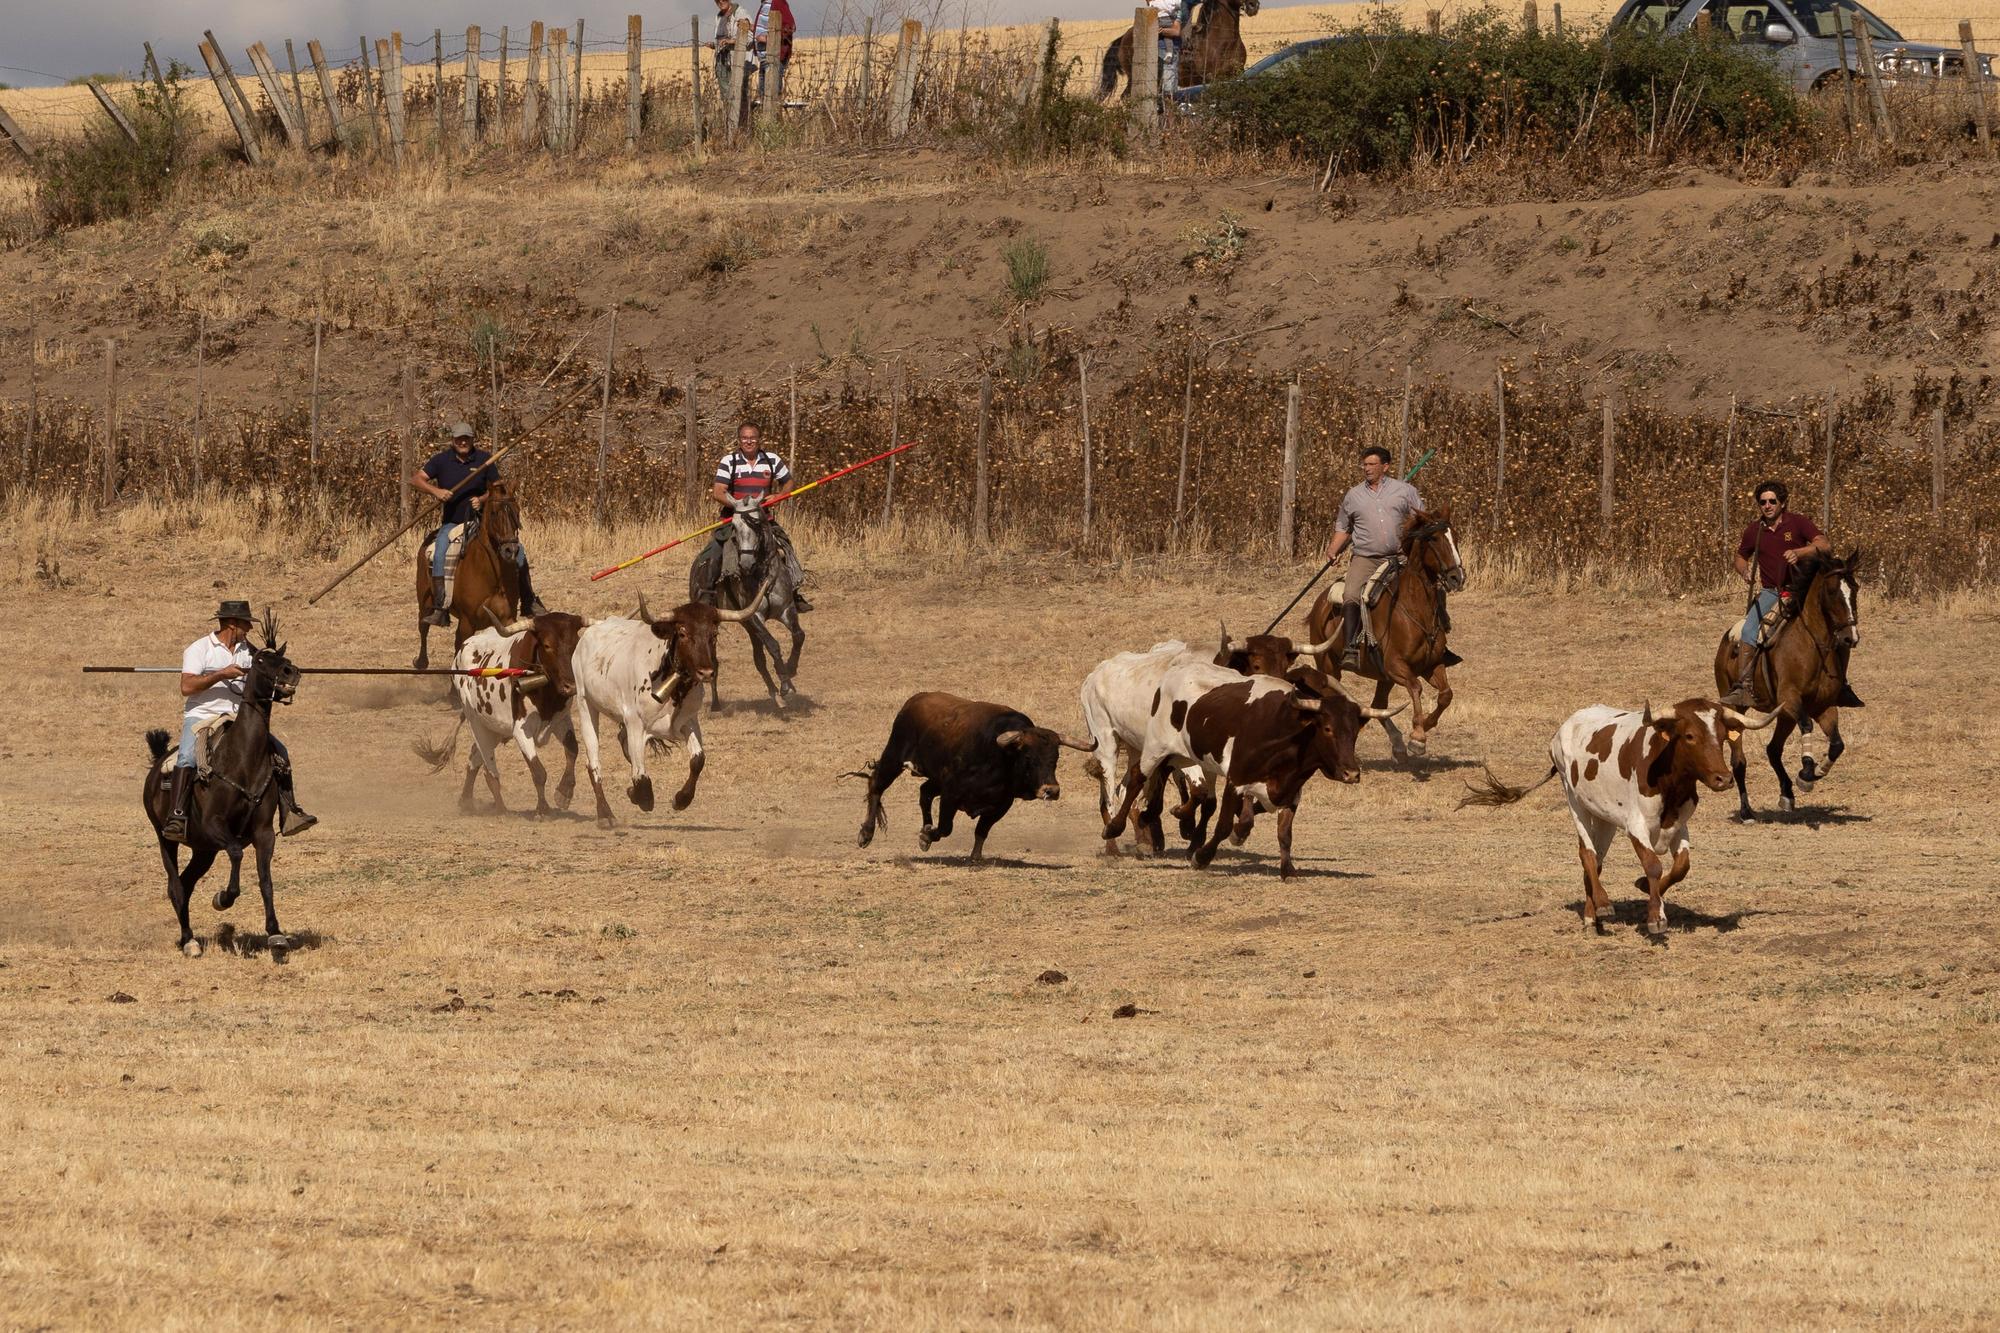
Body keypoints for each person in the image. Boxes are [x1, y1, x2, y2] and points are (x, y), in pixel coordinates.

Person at [163, 600, 316, 843]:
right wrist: (221, 674)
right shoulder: (199, 649)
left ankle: (290, 812)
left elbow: (261, 679)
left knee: (280, 752)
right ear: (232, 624)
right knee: (187, 757)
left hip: (238, 716)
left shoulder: (248, 651)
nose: (249, 629)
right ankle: (177, 815)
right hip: (203, 715)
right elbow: (187, 686)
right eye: (246, 624)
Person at [412, 421, 546, 628]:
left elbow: (499, 490)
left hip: (484, 521)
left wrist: (482, 499)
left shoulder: (484, 460)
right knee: (439, 552)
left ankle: (529, 601)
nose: (463, 442)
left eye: (467, 438)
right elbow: (417, 479)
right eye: (459, 438)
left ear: (472, 439)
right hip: (453, 522)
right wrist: (437, 492)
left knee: (519, 552)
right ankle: (441, 608)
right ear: (453, 440)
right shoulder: (440, 461)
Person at [1719, 478, 1831, 707]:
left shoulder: (1798, 522)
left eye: (1772, 501)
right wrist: (1744, 570)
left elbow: (1825, 544)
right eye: (1763, 502)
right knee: (1749, 630)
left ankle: (1841, 686)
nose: (1767, 505)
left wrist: (1801, 552)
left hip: (1805, 590)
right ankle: (1744, 687)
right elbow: (1740, 556)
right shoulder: (1754, 530)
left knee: (1835, 629)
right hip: (1773, 592)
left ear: (1782, 503)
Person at [1324, 445, 1424, 671]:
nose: (1366, 469)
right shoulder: (1354, 495)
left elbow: (1421, 519)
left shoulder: (1405, 491)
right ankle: (1350, 648)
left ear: (1385, 467)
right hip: (1366, 558)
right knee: (1350, 594)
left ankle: (1439, 639)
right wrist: (1333, 549)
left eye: (1372, 464)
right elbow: (1343, 527)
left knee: (1428, 587)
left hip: (1400, 556)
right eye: (1365, 464)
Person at [694, 421, 811, 611]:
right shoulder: (729, 462)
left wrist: (780, 496)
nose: (749, 441)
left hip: (763, 520)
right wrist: (740, 507)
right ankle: (707, 597)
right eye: (745, 438)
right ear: (739, 440)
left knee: (786, 548)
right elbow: (718, 492)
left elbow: (788, 482)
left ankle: (793, 594)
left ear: (759, 439)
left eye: (753, 438)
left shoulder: (771, 459)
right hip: (733, 519)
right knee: (713, 553)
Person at [712, 0, 759, 118]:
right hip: (722, 61)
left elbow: (750, 39)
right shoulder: (719, 17)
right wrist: (715, 45)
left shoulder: (740, 13)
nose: (720, 2)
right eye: (717, 0)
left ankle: (742, 124)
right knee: (726, 96)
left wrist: (731, 41)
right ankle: (730, 123)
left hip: (737, 61)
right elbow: (720, 38)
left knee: (739, 95)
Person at [752, 0, 796, 104]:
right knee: (764, 99)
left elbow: (790, 26)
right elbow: (764, 28)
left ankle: (772, 119)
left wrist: (769, 38)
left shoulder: (777, 2)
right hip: (764, 58)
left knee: (772, 98)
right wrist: (752, 28)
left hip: (775, 58)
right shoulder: (764, 4)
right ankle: (766, 120)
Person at [1151, 0, 1184, 95]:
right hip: (1155, 49)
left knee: (1168, 86)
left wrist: (1161, 31)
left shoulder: (1178, 11)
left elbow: (1176, 31)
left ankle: (1168, 106)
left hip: (1168, 49)